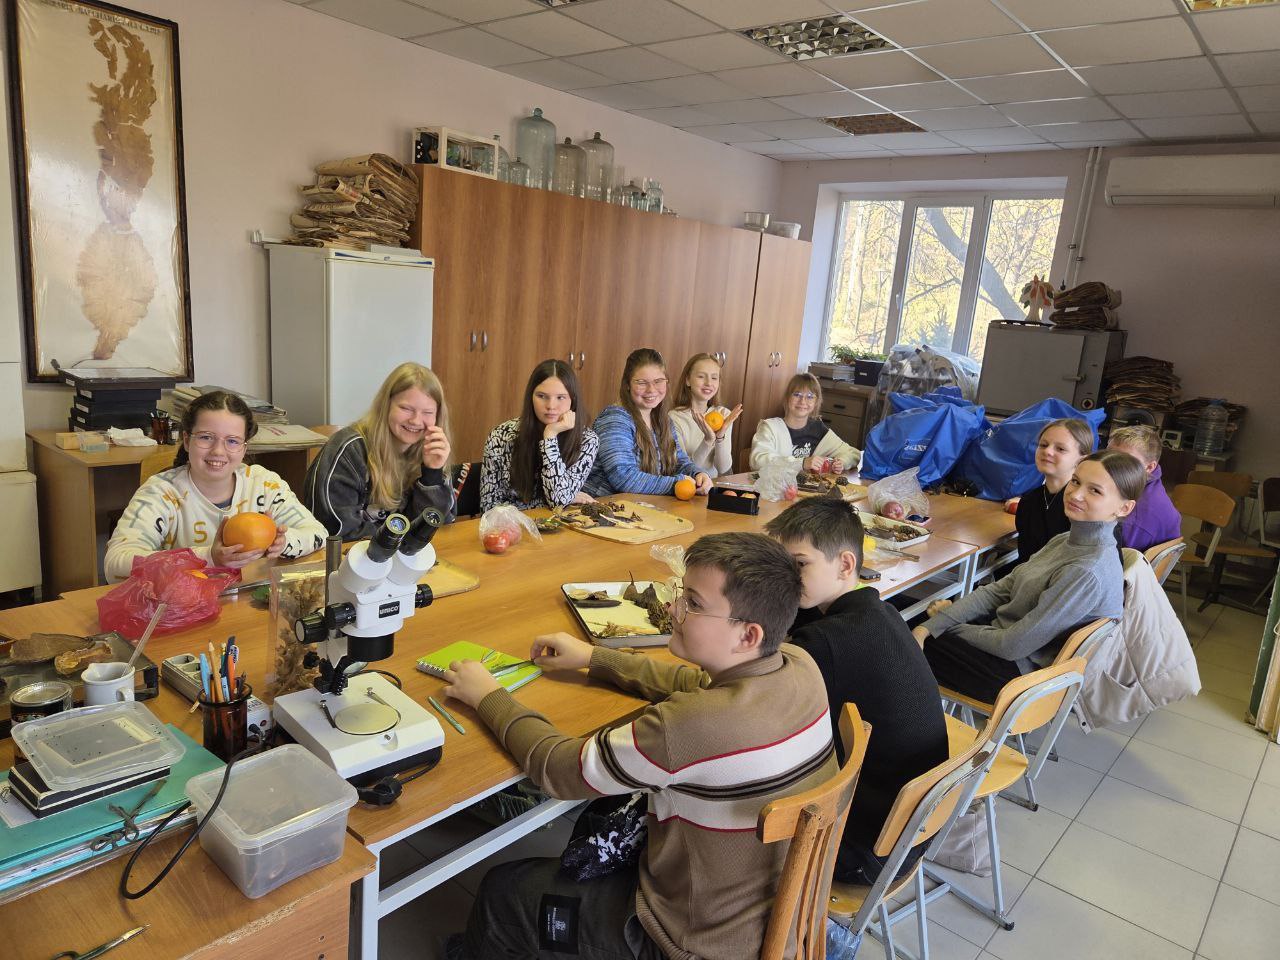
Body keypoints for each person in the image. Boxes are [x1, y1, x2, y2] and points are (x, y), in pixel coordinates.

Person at [442, 533, 836, 960]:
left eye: (694, 603)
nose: (674, 609)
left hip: (689, 943)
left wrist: (488, 696)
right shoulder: (799, 665)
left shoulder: (688, 726)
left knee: (502, 891)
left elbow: (558, 769)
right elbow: (695, 683)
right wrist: (595, 657)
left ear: (747, 635)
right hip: (781, 920)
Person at [766, 497, 948, 886]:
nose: (784, 578)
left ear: (846, 564)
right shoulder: (881, 611)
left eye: (799, 565)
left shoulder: (827, 642)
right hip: (910, 832)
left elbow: (762, 710)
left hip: (863, 850)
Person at [914, 450, 1143, 702]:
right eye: (1076, 481)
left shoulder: (1087, 570)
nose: (1076, 494)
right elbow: (1000, 590)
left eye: (1095, 491)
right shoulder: (1066, 540)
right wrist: (936, 623)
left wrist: (948, 625)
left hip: (1019, 678)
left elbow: (1013, 645)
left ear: (1124, 507)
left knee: (893, 632)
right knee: (904, 619)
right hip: (1006, 645)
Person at [105, 391, 327, 582]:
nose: (218, 451)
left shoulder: (264, 485)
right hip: (184, 607)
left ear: (244, 448)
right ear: (186, 440)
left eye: (232, 441)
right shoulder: (162, 493)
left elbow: (319, 534)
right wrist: (209, 557)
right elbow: (115, 564)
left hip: (249, 604)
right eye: (206, 437)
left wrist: (283, 542)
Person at [305, 362, 455, 540]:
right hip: (348, 554)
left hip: (402, 553)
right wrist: (402, 542)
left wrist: (432, 474)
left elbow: (439, 527)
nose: (416, 420)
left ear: (437, 416)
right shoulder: (349, 450)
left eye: (427, 412)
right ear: (386, 405)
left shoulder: (432, 451)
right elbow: (337, 532)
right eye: (406, 408)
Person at [583, 348, 711, 497]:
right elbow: (623, 477)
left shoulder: (664, 420)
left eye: (658, 381)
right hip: (601, 506)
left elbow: (678, 461)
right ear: (627, 384)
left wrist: (698, 474)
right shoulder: (614, 419)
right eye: (641, 382)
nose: (651, 389)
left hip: (641, 505)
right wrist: (677, 483)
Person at [480, 359, 599, 512]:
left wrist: (550, 436)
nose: (551, 406)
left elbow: (557, 500)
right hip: (513, 526)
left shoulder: (587, 440)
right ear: (531, 397)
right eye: (542, 396)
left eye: (560, 397)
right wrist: (564, 498)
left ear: (573, 400)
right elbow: (488, 507)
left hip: (559, 526)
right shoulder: (501, 436)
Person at [1011, 418, 1094, 565]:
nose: (1047, 451)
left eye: (1060, 449)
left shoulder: (1087, 508)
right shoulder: (1029, 501)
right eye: (1043, 445)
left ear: (1082, 460)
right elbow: (1026, 559)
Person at [749, 372, 860, 474]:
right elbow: (757, 461)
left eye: (810, 397)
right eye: (797, 394)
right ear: (787, 398)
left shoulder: (818, 429)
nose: (802, 401)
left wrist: (841, 462)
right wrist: (802, 463)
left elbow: (853, 453)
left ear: (816, 402)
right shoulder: (770, 428)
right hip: (774, 488)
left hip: (807, 488)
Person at [1107, 424, 1182, 551]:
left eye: (1125, 460)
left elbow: (1119, 558)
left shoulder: (1134, 519)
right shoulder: (1147, 483)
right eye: (1108, 454)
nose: (1110, 464)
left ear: (1149, 467)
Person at [668, 353, 741, 478]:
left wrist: (720, 437)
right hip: (687, 485)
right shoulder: (674, 418)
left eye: (714, 378)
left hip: (713, 485)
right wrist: (707, 440)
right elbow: (684, 471)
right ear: (687, 380)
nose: (708, 383)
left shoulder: (723, 415)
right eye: (701, 376)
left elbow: (723, 468)